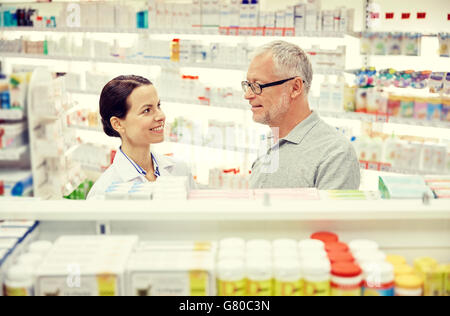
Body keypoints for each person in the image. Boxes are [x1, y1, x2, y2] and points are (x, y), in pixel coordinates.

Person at [242, 41, 360, 190]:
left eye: (257, 86)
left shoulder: (336, 153)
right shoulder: (271, 141)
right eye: (248, 85)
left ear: (295, 88)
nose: (247, 95)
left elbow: (333, 214)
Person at [87, 75, 194, 199]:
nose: (161, 116)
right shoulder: (102, 192)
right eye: (147, 110)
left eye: (158, 106)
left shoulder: (180, 170)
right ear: (118, 124)